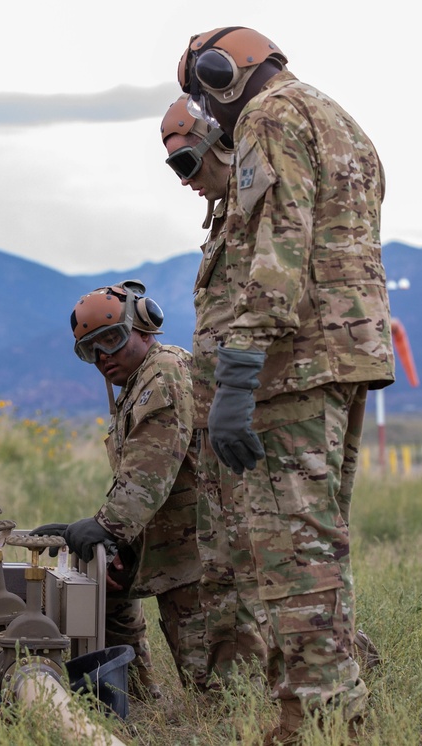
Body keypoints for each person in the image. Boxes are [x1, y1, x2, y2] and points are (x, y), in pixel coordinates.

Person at [177, 27, 395, 743]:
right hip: (346, 357)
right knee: (317, 543)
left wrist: (239, 376)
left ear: (224, 74)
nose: (213, 117)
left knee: (291, 553)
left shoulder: (272, 117)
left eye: (206, 94)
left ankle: (318, 717)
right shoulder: (343, 122)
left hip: (292, 365)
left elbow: (278, 251)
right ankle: (328, 708)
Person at [33, 281, 206, 698]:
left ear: (144, 327)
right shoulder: (138, 382)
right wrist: (107, 539)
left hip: (201, 543)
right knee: (103, 591)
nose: (103, 357)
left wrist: (106, 529)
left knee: (218, 685)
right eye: (91, 350)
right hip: (172, 538)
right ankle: (133, 697)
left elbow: (152, 470)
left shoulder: (162, 374)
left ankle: (342, 656)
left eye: (111, 339)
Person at [161, 96, 270, 684]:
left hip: (244, 420)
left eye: (188, 165)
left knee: (266, 559)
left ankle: (327, 671)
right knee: (222, 560)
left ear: (220, 145)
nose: (187, 183)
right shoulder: (226, 220)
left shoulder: (257, 219)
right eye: (174, 169)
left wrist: (238, 401)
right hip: (216, 423)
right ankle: (237, 690)